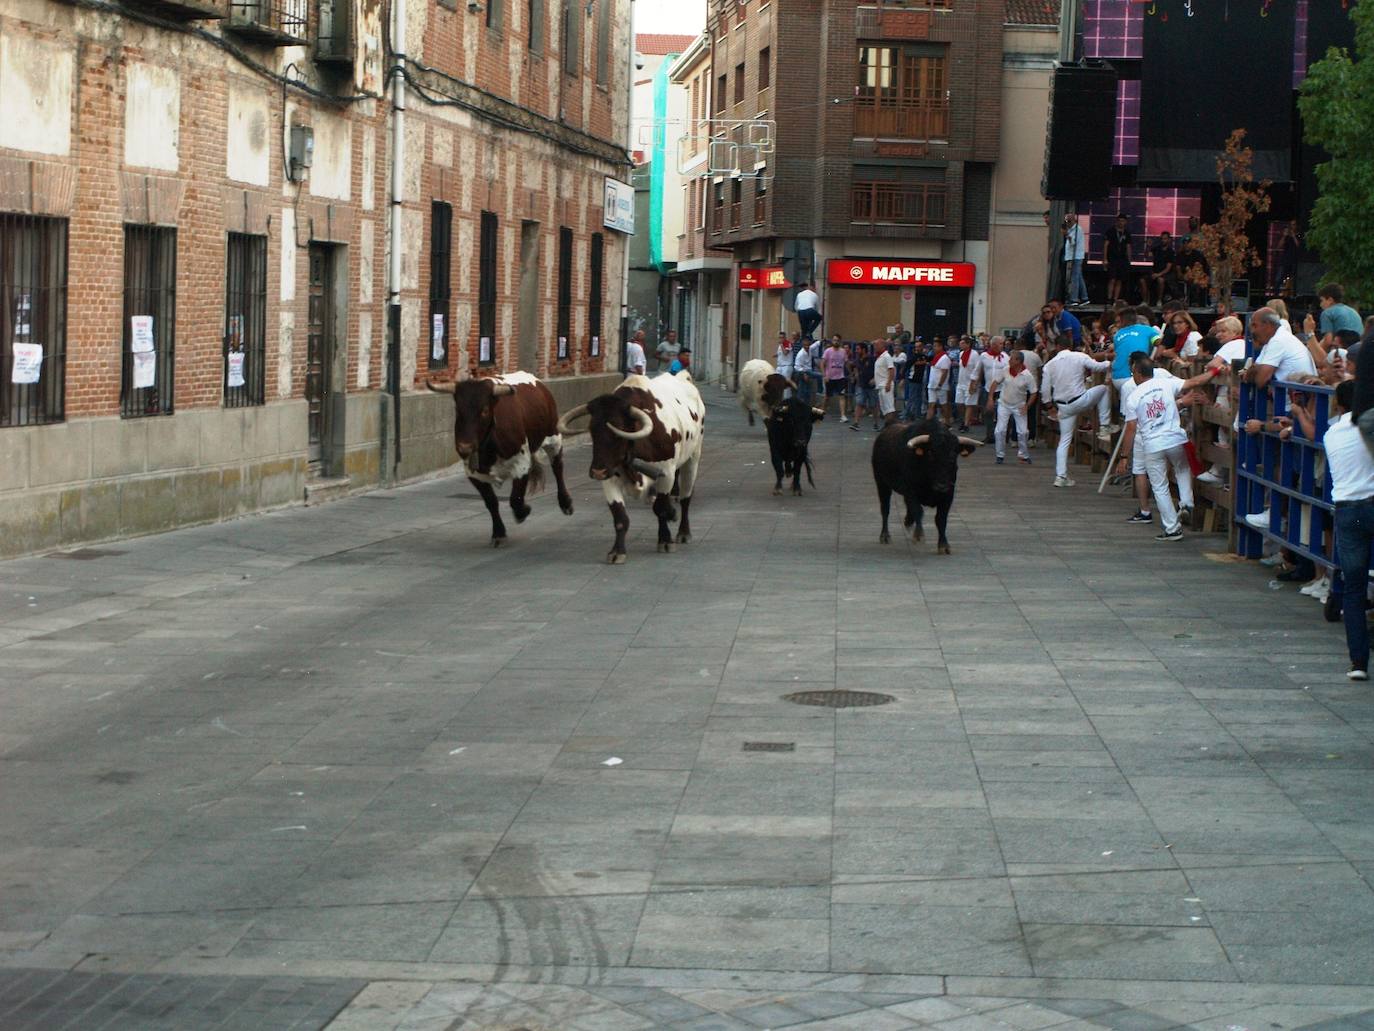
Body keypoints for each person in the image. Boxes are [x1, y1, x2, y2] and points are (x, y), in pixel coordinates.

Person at [1287, 380, 1374, 679]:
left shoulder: (1333, 433)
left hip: (1348, 510)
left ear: (1338, 404)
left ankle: (1358, 662)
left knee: (1353, 586)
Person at [1116, 357, 1209, 541]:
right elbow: (1195, 381)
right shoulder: (1166, 383)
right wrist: (1214, 372)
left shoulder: (1134, 396)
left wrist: (1124, 456)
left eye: (1133, 372)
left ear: (1139, 374)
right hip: (1175, 438)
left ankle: (1172, 528)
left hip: (1152, 444)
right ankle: (1187, 501)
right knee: (1182, 468)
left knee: (1160, 486)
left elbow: (1131, 428)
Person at [1042, 332, 1114, 488]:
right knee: (1103, 390)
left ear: (1057, 347)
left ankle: (1060, 476)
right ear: (1070, 345)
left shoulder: (1049, 365)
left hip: (1063, 405)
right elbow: (1098, 367)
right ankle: (1104, 425)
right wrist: (1110, 361)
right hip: (1080, 400)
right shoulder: (1079, 356)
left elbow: (1045, 391)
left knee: (1064, 440)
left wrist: (1049, 407)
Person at [1243, 307, 1317, 391]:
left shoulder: (1279, 340)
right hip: (1288, 400)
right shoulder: (1273, 339)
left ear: (1268, 325)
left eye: (1254, 325)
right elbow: (1251, 371)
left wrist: (1254, 372)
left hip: (1295, 402)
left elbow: (1261, 380)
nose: (1252, 331)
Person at [1111, 305, 1162, 417]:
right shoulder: (1148, 330)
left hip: (1117, 378)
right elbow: (1158, 343)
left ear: (1122, 320)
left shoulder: (1117, 335)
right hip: (1136, 377)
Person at [991, 350, 1037, 465]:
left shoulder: (1027, 375)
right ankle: (999, 455)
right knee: (1000, 430)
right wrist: (990, 398)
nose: (1009, 360)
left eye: (1012, 359)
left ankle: (1023, 455)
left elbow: (1033, 393)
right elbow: (995, 383)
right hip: (1004, 404)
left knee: (1023, 432)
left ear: (1019, 361)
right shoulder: (1005, 370)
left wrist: (1027, 406)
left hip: (1019, 405)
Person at [970, 337, 1009, 444]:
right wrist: (973, 383)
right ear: (994, 345)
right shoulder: (984, 356)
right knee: (987, 412)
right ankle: (989, 435)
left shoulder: (1005, 357)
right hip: (988, 388)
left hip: (1002, 389)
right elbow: (977, 370)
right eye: (1001, 343)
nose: (1003, 345)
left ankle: (1003, 435)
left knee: (1002, 413)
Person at [874, 337, 906, 426]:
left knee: (889, 407)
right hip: (880, 385)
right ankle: (887, 425)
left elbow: (891, 370)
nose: (875, 346)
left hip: (885, 385)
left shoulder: (887, 356)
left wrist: (888, 383)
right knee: (884, 408)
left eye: (877, 345)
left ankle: (891, 426)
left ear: (882, 346)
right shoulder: (880, 357)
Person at [1104, 212, 1134, 304]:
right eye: (1119, 221)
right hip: (1112, 258)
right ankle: (1109, 298)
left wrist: (1129, 260)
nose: (1121, 223)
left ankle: (1115, 300)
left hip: (1123, 259)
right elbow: (1106, 245)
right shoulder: (1111, 231)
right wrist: (1105, 259)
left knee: (1119, 280)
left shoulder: (1127, 233)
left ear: (1126, 222)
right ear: (1117, 221)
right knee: (1112, 279)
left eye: (1123, 221)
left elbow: (1128, 246)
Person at [850, 342, 879, 430]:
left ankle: (876, 423)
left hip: (871, 386)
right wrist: (855, 375)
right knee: (859, 403)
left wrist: (874, 378)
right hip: (861, 385)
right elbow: (854, 367)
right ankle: (856, 423)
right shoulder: (858, 360)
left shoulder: (872, 359)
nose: (856, 351)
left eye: (858, 349)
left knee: (873, 405)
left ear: (863, 350)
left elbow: (878, 369)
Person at [821, 335, 850, 422]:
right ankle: (821, 412)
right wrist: (824, 375)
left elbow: (846, 363)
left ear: (840, 341)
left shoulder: (843, 351)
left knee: (842, 396)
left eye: (837, 340)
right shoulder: (828, 351)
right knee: (827, 397)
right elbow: (822, 363)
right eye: (834, 340)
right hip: (830, 377)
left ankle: (843, 415)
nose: (835, 342)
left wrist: (851, 373)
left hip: (840, 377)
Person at [1063, 212, 1088, 306]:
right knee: (1079, 277)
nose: (1067, 223)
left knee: (1074, 278)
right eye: (1066, 221)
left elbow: (1073, 243)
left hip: (1076, 256)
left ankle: (1074, 299)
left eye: (1068, 221)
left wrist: (1066, 235)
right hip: (1071, 256)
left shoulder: (1078, 230)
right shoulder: (1071, 229)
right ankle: (1085, 297)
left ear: (1074, 220)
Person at [1148, 232, 1177, 306]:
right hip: (1154, 272)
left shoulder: (1171, 252)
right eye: (1161, 239)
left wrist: (1158, 275)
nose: (1163, 240)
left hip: (1166, 274)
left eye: (1165, 239)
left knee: (1160, 280)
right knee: (1142, 280)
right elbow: (1148, 255)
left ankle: (1159, 300)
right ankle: (1145, 301)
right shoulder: (1156, 249)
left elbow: (1168, 268)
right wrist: (1149, 246)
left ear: (1169, 240)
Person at [927, 339, 952, 423]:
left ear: (941, 347)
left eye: (936, 346)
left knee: (943, 404)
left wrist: (940, 384)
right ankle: (928, 423)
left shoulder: (944, 358)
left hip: (941, 386)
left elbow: (944, 372)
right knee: (931, 404)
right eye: (934, 346)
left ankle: (947, 422)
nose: (934, 348)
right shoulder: (935, 357)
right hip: (932, 384)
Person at [793, 334, 815, 402]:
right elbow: (797, 366)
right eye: (805, 345)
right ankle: (800, 402)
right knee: (802, 388)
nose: (807, 346)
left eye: (808, 344)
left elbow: (816, 345)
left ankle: (806, 403)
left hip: (808, 370)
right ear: (803, 344)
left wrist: (822, 341)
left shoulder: (810, 349)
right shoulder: (801, 354)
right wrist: (804, 374)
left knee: (807, 389)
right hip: (801, 372)